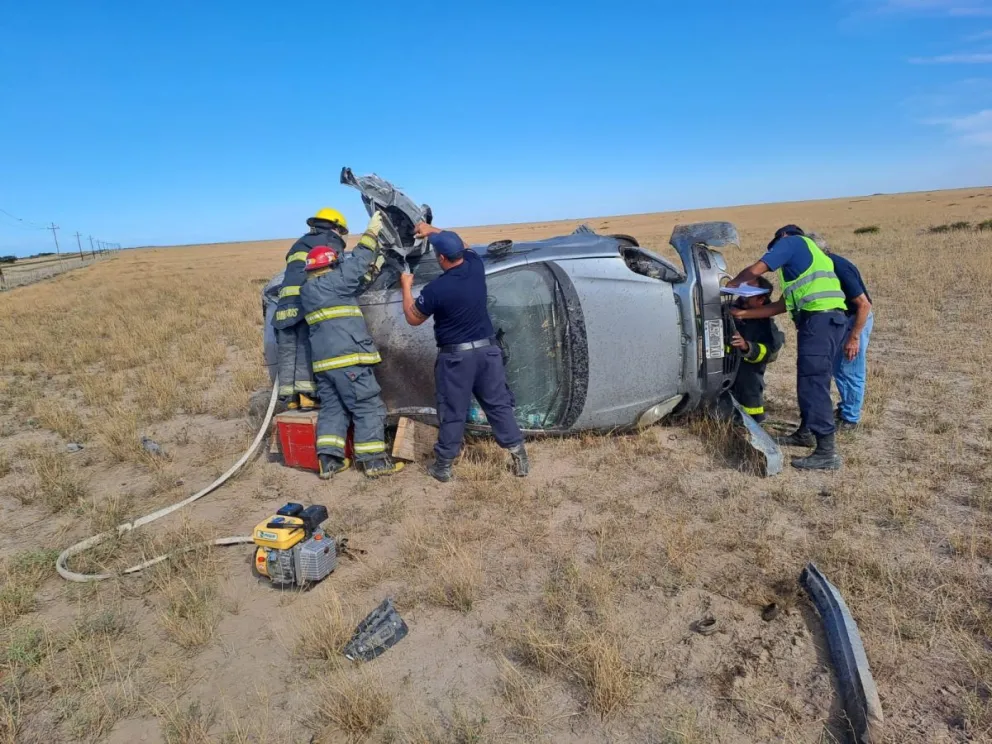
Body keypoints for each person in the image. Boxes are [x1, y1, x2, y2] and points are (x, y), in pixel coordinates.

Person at [397, 224, 528, 483]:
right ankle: (519, 455)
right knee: (498, 405)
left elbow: (413, 318)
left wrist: (405, 286)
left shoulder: (437, 289)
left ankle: (443, 466)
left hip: (457, 359)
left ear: (442, 258)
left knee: (453, 410)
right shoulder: (475, 266)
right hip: (488, 354)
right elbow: (465, 245)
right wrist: (432, 230)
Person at [727, 225, 848, 470]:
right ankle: (806, 432)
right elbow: (780, 306)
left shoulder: (792, 242)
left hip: (819, 320)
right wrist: (742, 312)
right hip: (822, 321)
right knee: (808, 382)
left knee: (813, 383)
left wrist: (732, 285)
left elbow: (756, 269)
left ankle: (827, 452)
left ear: (782, 238)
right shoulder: (809, 260)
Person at [300, 212, 404, 479]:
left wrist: (373, 268)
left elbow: (354, 281)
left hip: (324, 366)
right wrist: (371, 234)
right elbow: (357, 263)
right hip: (349, 360)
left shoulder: (309, 290)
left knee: (333, 408)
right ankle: (373, 462)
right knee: (367, 405)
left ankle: (330, 462)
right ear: (331, 265)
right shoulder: (335, 282)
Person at [273, 208, 349, 411]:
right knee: (306, 347)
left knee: (288, 349)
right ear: (335, 226)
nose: (340, 235)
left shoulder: (299, 242)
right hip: (305, 300)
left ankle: (290, 398)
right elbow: (337, 268)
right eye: (340, 231)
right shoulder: (330, 239)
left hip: (283, 304)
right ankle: (307, 396)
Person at [808, 235, 874, 430]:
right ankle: (845, 408)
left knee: (850, 369)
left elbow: (864, 305)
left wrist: (854, 337)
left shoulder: (838, 267)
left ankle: (850, 418)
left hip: (855, 321)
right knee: (840, 368)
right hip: (842, 321)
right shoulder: (825, 266)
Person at [728, 276, 785, 423]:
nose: (742, 298)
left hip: (749, 373)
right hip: (721, 367)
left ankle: (752, 425)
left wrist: (747, 347)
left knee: (749, 401)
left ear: (761, 299)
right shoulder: (728, 308)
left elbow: (772, 352)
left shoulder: (770, 321)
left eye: (748, 296)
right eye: (742, 293)